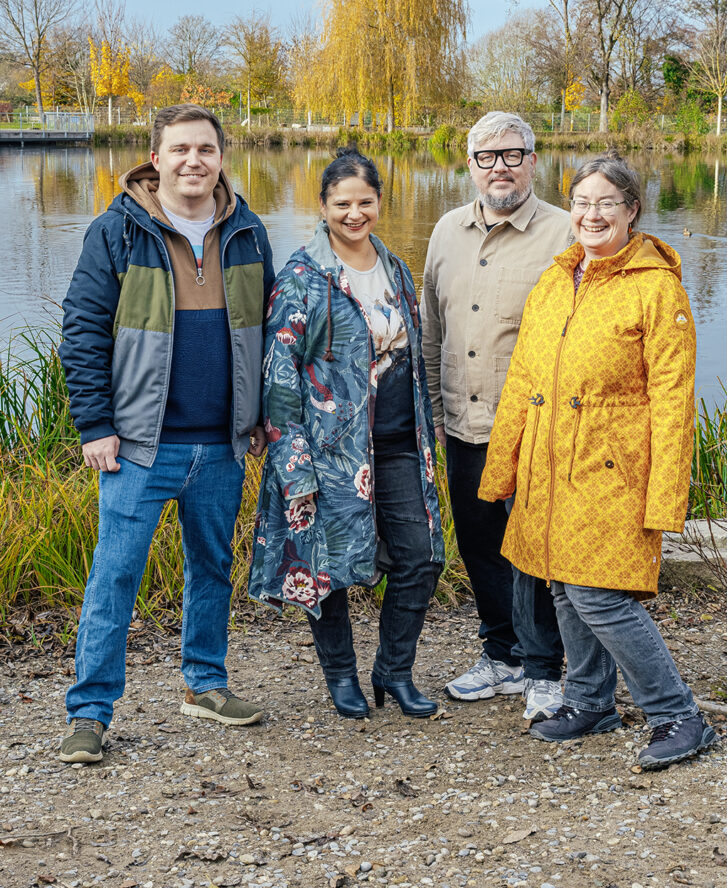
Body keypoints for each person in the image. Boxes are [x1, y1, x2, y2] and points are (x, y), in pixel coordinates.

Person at [479, 153, 716, 769]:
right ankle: (589, 700)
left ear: (632, 210)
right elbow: (524, 378)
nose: (591, 214)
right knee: (563, 583)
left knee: (599, 593)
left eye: (606, 203)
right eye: (582, 202)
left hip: (614, 468)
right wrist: (503, 466)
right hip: (548, 463)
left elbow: (673, 401)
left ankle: (676, 713)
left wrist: (666, 496)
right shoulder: (557, 280)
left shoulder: (657, 289)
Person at [58, 104, 275, 764]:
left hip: (221, 444)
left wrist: (261, 412)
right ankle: (90, 712)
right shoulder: (118, 230)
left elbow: (266, 333)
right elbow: (82, 330)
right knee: (113, 579)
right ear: (155, 158)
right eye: (179, 149)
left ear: (220, 157)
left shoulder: (248, 230)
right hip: (138, 447)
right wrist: (96, 424)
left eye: (205, 150)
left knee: (211, 570)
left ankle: (204, 685)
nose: (193, 161)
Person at [249, 147, 444, 719]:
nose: (354, 214)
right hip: (331, 450)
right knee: (325, 567)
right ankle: (341, 677)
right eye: (342, 204)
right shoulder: (302, 279)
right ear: (323, 206)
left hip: (400, 442)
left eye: (365, 202)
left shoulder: (396, 268)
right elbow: (279, 377)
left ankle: (394, 670)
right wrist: (293, 462)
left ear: (380, 202)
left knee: (422, 556)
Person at [420, 111, 570, 721]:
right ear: (471, 165)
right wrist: (431, 413)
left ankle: (544, 671)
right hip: (461, 422)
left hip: (533, 429)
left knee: (533, 552)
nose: (500, 167)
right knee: (480, 546)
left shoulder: (565, 234)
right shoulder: (446, 231)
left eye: (512, 155)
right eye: (487, 157)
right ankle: (501, 655)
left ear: (534, 161)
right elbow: (432, 328)